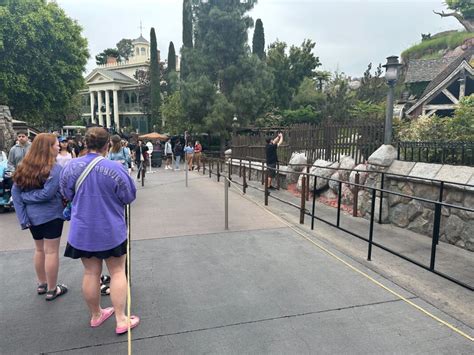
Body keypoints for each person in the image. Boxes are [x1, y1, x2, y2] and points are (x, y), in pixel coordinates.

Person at [60, 127, 139, 333]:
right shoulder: (115, 168)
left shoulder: (70, 167)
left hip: (83, 229)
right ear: (107, 145)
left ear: (86, 143)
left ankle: (96, 314)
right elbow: (129, 196)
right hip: (110, 229)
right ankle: (121, 319)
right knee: (117, 271)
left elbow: (66, 192)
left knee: (90, 272)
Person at [11, 133, 68, 300]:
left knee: (39, 249)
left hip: (31, 216)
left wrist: (23, 215)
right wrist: (29, 198)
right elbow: (47, 194)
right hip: (51, 214)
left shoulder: (24, 166)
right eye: (56, 144)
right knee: (51, 252)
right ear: (48, 148)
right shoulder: (55, 169)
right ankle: (52, 289)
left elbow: (16, 192)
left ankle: (42, 283)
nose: (59, 146)